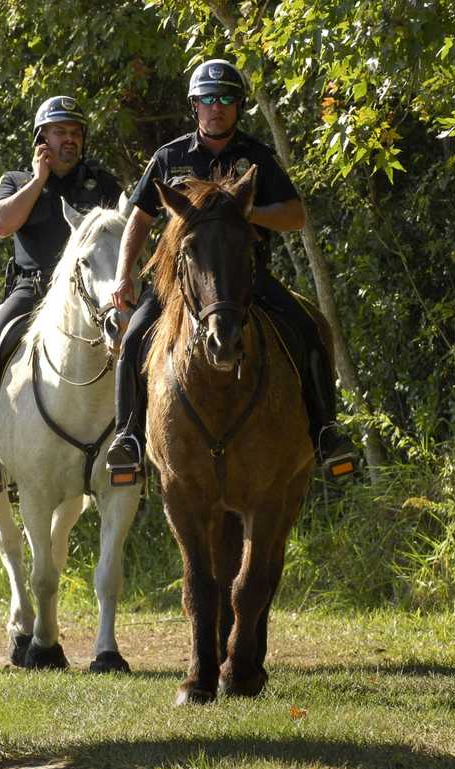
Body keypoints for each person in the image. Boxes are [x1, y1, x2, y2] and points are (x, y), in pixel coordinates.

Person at [106, 59, 357, 484]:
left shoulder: (256, 157)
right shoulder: (169, 158)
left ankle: (326, 432)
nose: (216, 107)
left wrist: (244, 212)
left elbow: (295, 215)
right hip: (183, 284)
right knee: (132, 339)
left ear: (239, 106)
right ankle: (128, 437)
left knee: (309, 328)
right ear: (194, 106)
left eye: (225, 99)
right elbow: (140, 218)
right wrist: (123, 274)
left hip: (247, 281)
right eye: (207, 99)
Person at [0, 96, 122, 498]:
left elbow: (125, 228)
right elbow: (0, 225)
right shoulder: (16, 181)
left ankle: (133, 451)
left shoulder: (102, 183)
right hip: (31, 289)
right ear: (41, 138)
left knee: (139, 347)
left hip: (93, 293)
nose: (71, 139)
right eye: (61, 132)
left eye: (76, 132)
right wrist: (38, 179)